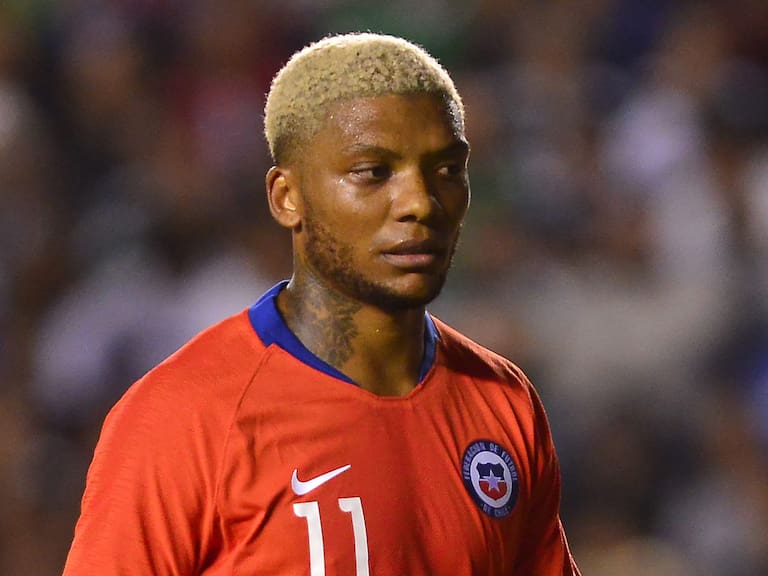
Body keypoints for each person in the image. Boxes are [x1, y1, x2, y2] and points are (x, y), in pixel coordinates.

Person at [62, 32, 581, 575]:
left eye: (446, 170)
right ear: (288, 198)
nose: (419, 203)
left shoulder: (503, 399)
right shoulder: (183, 416)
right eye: (372, 172)